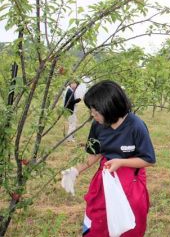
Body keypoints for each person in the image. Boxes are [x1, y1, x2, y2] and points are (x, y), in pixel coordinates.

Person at [61, 80, 156, 236]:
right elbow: (95, 154)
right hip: (105, 180)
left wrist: (121, 162)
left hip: (131, 182)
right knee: (99, 222)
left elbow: (149, 159)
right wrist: (75, 170)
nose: (92, 115)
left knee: (128, 225)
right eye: (91, 110)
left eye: (95, 112)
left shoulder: (136, 126)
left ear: (109, 109)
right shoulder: (97, 125)